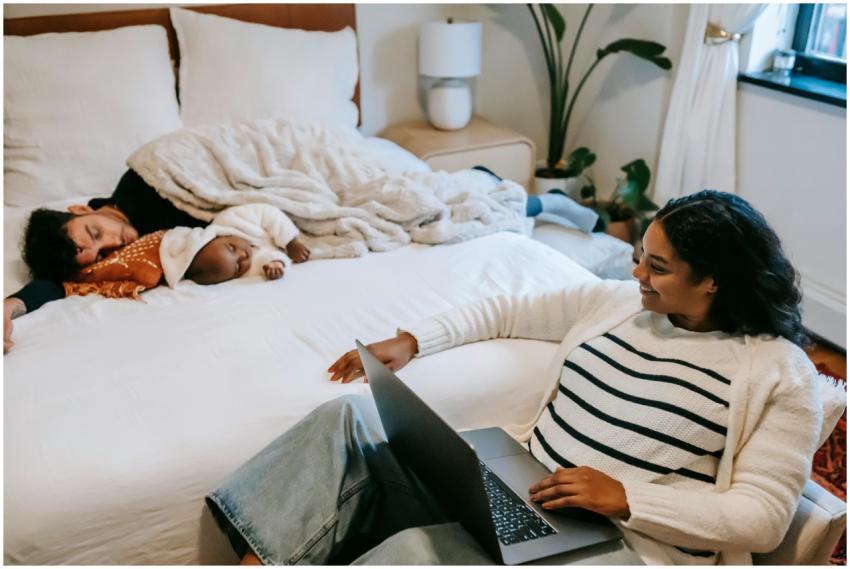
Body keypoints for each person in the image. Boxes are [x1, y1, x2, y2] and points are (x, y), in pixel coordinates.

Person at [204, 190, 826, 565]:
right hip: (519, 497)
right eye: (639, 255)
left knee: (415, 556)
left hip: (614, 546)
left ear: (714, 280)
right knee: (339, 425)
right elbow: (509, 307)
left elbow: (763, 516)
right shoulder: (617, 303)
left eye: (657, 266)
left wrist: (627, 498)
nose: (637, 273)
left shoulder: (777, 371)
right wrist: (413, 339)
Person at [4, 166, 596, 353]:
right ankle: (531, 200)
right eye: (100, 249)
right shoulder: (112, 258)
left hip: (273, 188)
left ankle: (533, 197)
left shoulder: (138, 185)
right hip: (259, 227)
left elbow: (235, 185)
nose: (112, 240)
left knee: (395, 190)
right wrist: (11, 303)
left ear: (82, 206)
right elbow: (58, 285)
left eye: (96, 228)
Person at [160, 203, 311, 287]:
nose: (243, 256)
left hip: (290, 219)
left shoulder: (231, 219)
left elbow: (268, 213)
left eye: (231, 248)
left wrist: (291, 242)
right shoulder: (247, 268)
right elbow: (266, 258)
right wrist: (276, 264)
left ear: (217, 236)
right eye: (237, 267)